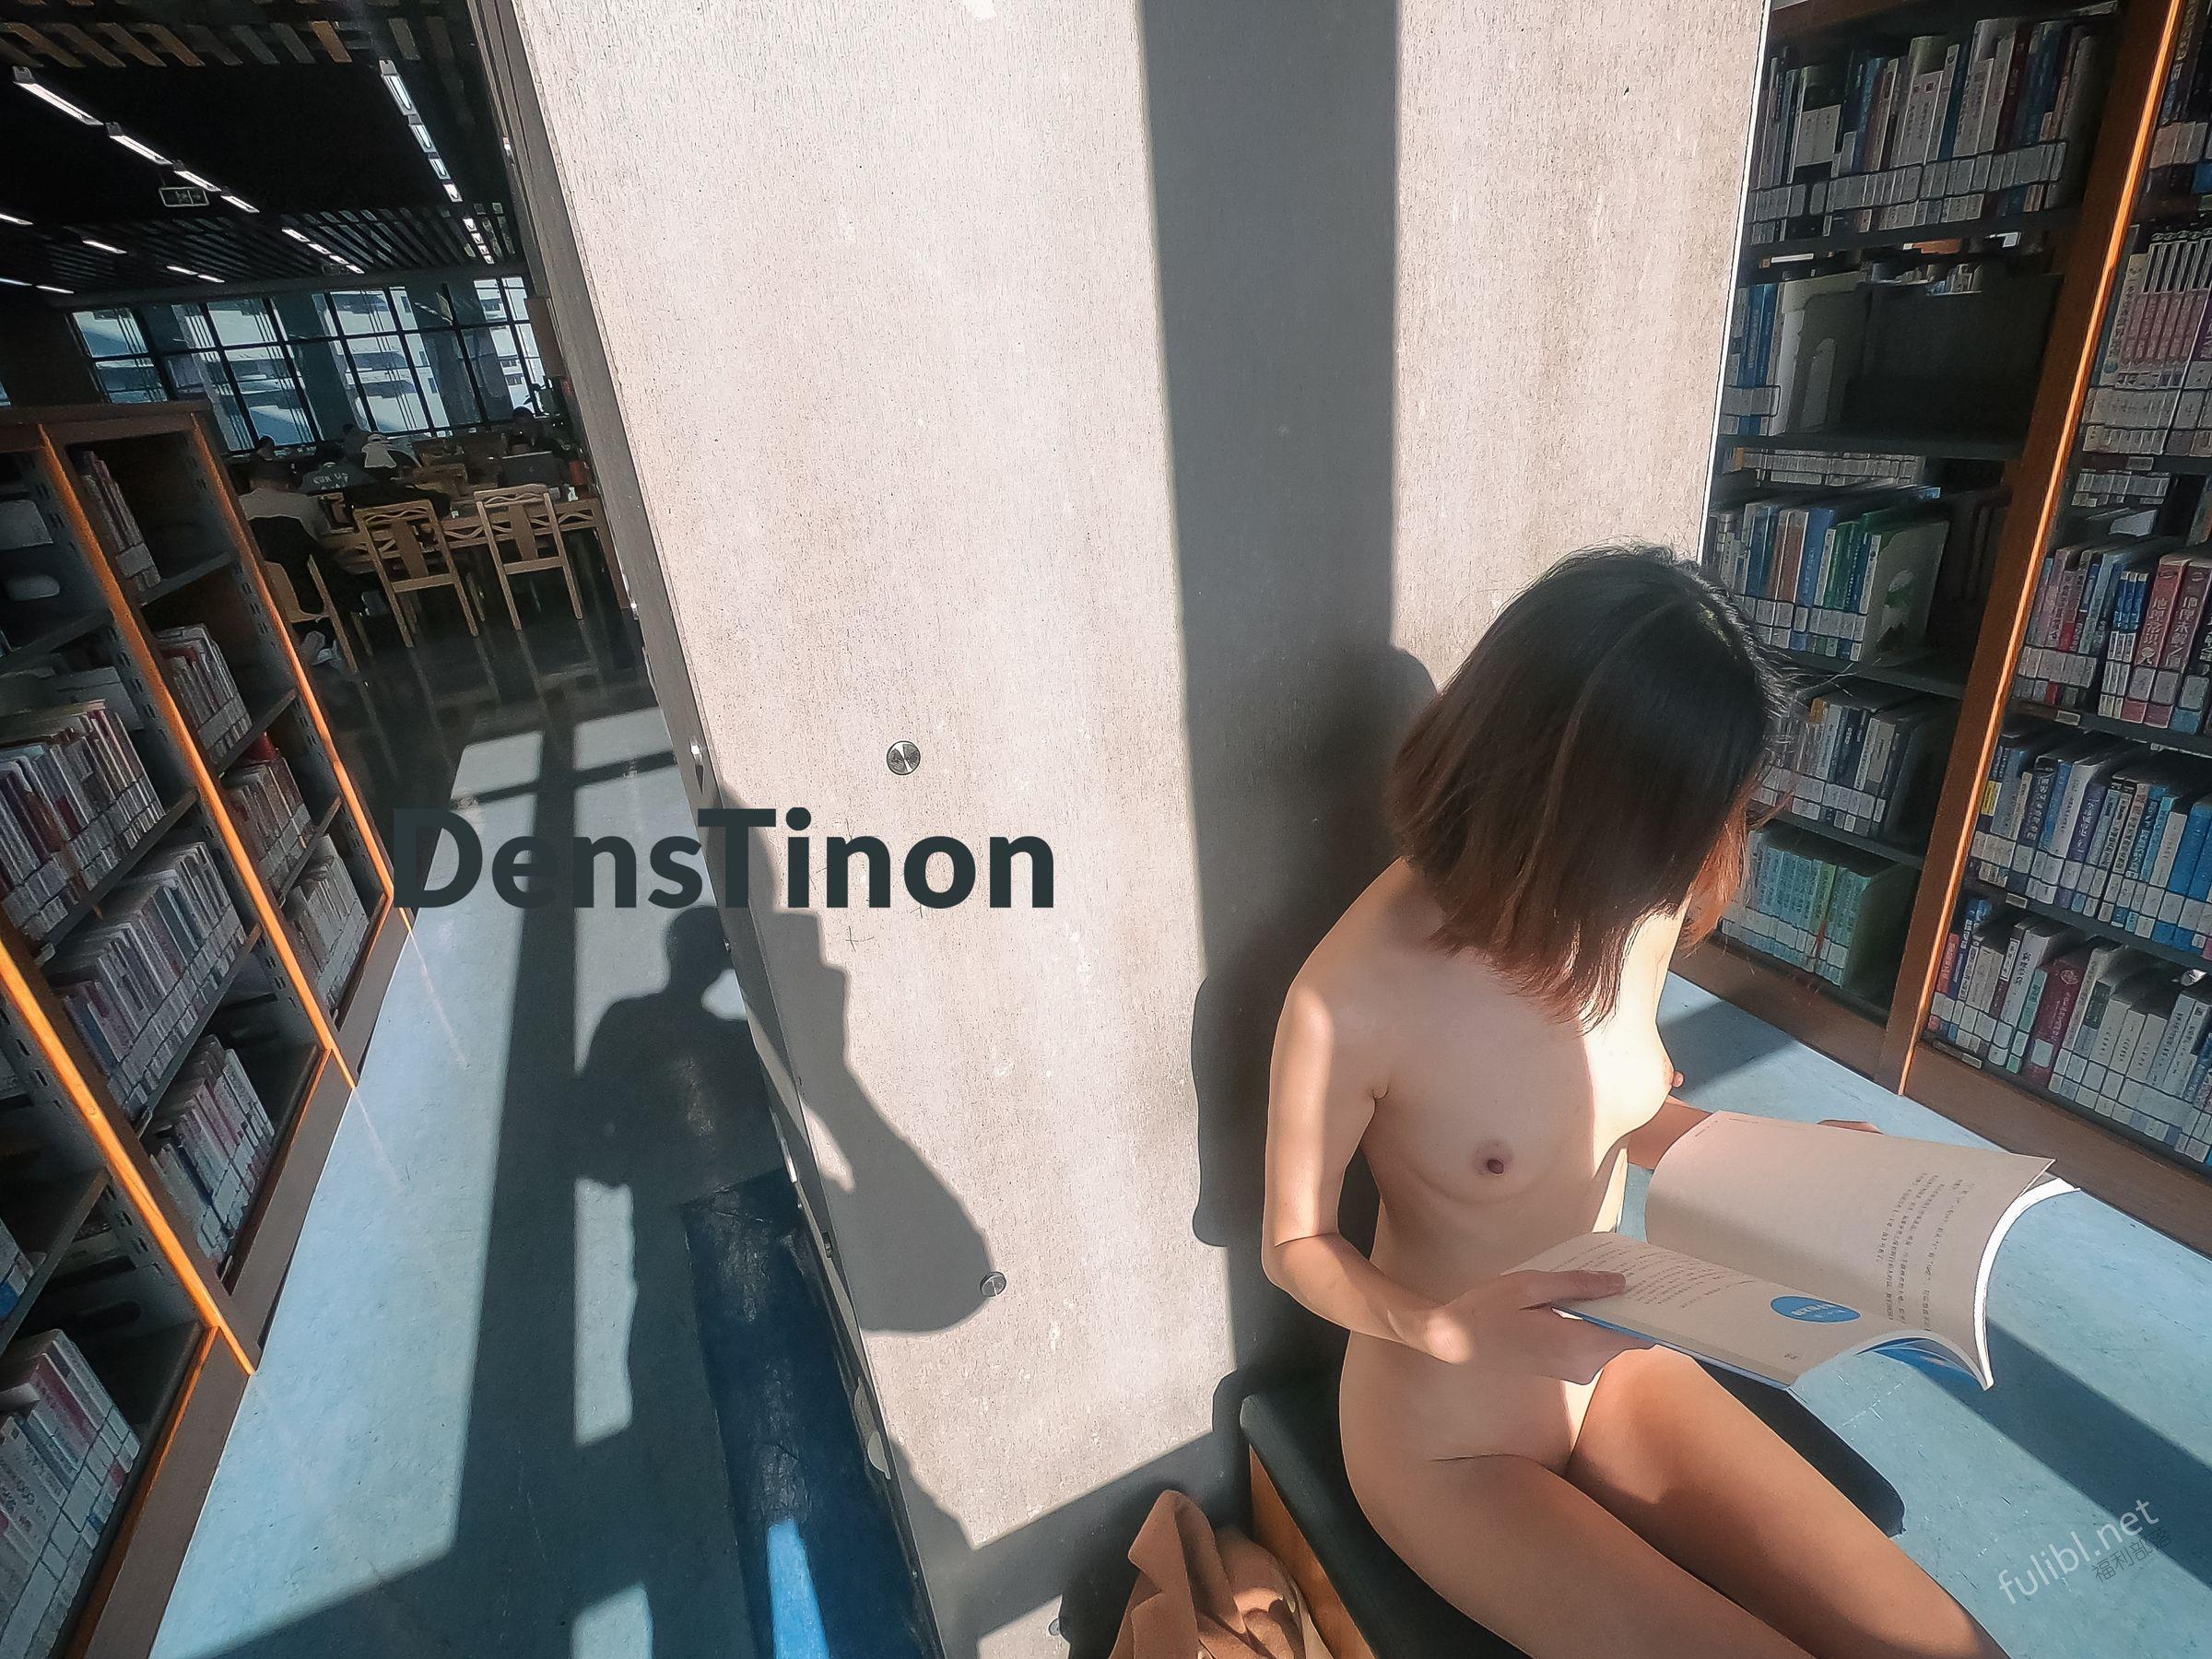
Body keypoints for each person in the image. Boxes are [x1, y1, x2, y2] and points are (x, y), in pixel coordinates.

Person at [1262, 546, 2006, 1659]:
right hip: (1449, 1440)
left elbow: (1610, 1115)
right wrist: (1436, 1325)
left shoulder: (1634, 902)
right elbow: (1293, 1244)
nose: (1697, 859)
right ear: (1564, 801)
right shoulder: (1353, 995)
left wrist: (1802, 1171)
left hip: (1617, 1362)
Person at [300, 441, 369, 494]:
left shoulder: (308, 478)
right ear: (341, 456)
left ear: (317, 459)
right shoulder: (354, 471)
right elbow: (369, 485)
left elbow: (303, 496)